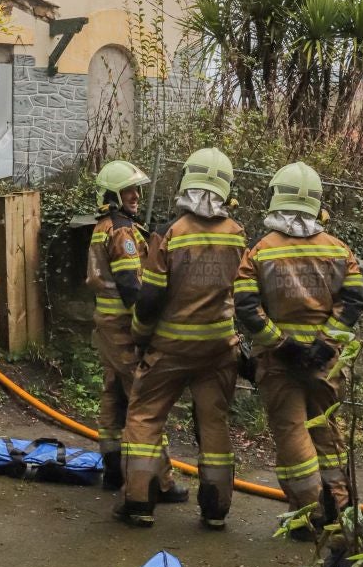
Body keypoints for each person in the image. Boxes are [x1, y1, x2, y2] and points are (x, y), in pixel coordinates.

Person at [117, 148, 245, 529]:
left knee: (144, 416)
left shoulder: (169, 234)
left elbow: (151, 296)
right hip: (219, 349)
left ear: (186, 183)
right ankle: (216, 510)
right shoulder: (238, 235)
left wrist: (140, 336)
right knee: (214, 423)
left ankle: (139, 503)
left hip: (170, 349)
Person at [234, 162, 363, 527]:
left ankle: (311, 516)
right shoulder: (340, 250)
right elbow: (353, 302)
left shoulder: (260, 251)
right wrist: (325, 343)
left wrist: (281, 344)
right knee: (326, 431)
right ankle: (340, 509)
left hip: (280, 363)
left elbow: (246, 305)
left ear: (277, 197)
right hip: (327, 364)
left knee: (293, 435)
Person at [86, 159, 185, 504]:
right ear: (113, 194)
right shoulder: (123, 231)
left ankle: (113, 467)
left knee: (113, 393)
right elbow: (131, 284)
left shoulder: (105, 225)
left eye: (136, 190)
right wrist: (147, 326)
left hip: (107, 325)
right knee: (144, 398)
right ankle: (160, 481)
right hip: (123, 328)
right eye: (128, 191)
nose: (135, 196)